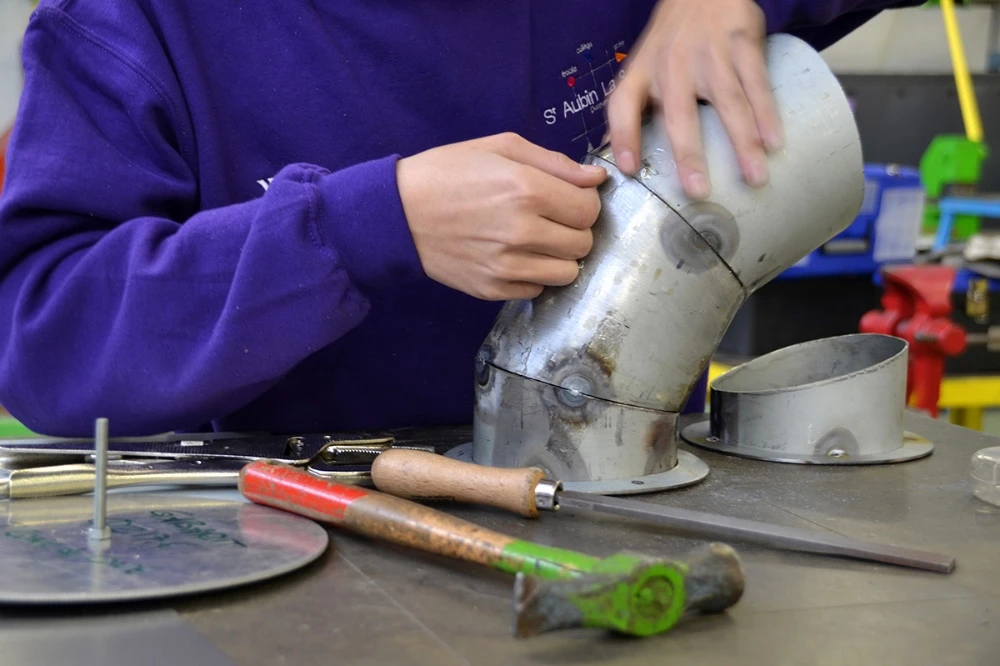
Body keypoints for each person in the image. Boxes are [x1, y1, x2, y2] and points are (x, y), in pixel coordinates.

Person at [0, 0, 920, 437]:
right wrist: (359, 228)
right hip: (286, 565)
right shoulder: (137, 21)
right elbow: (40, 335)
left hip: (637, 537)